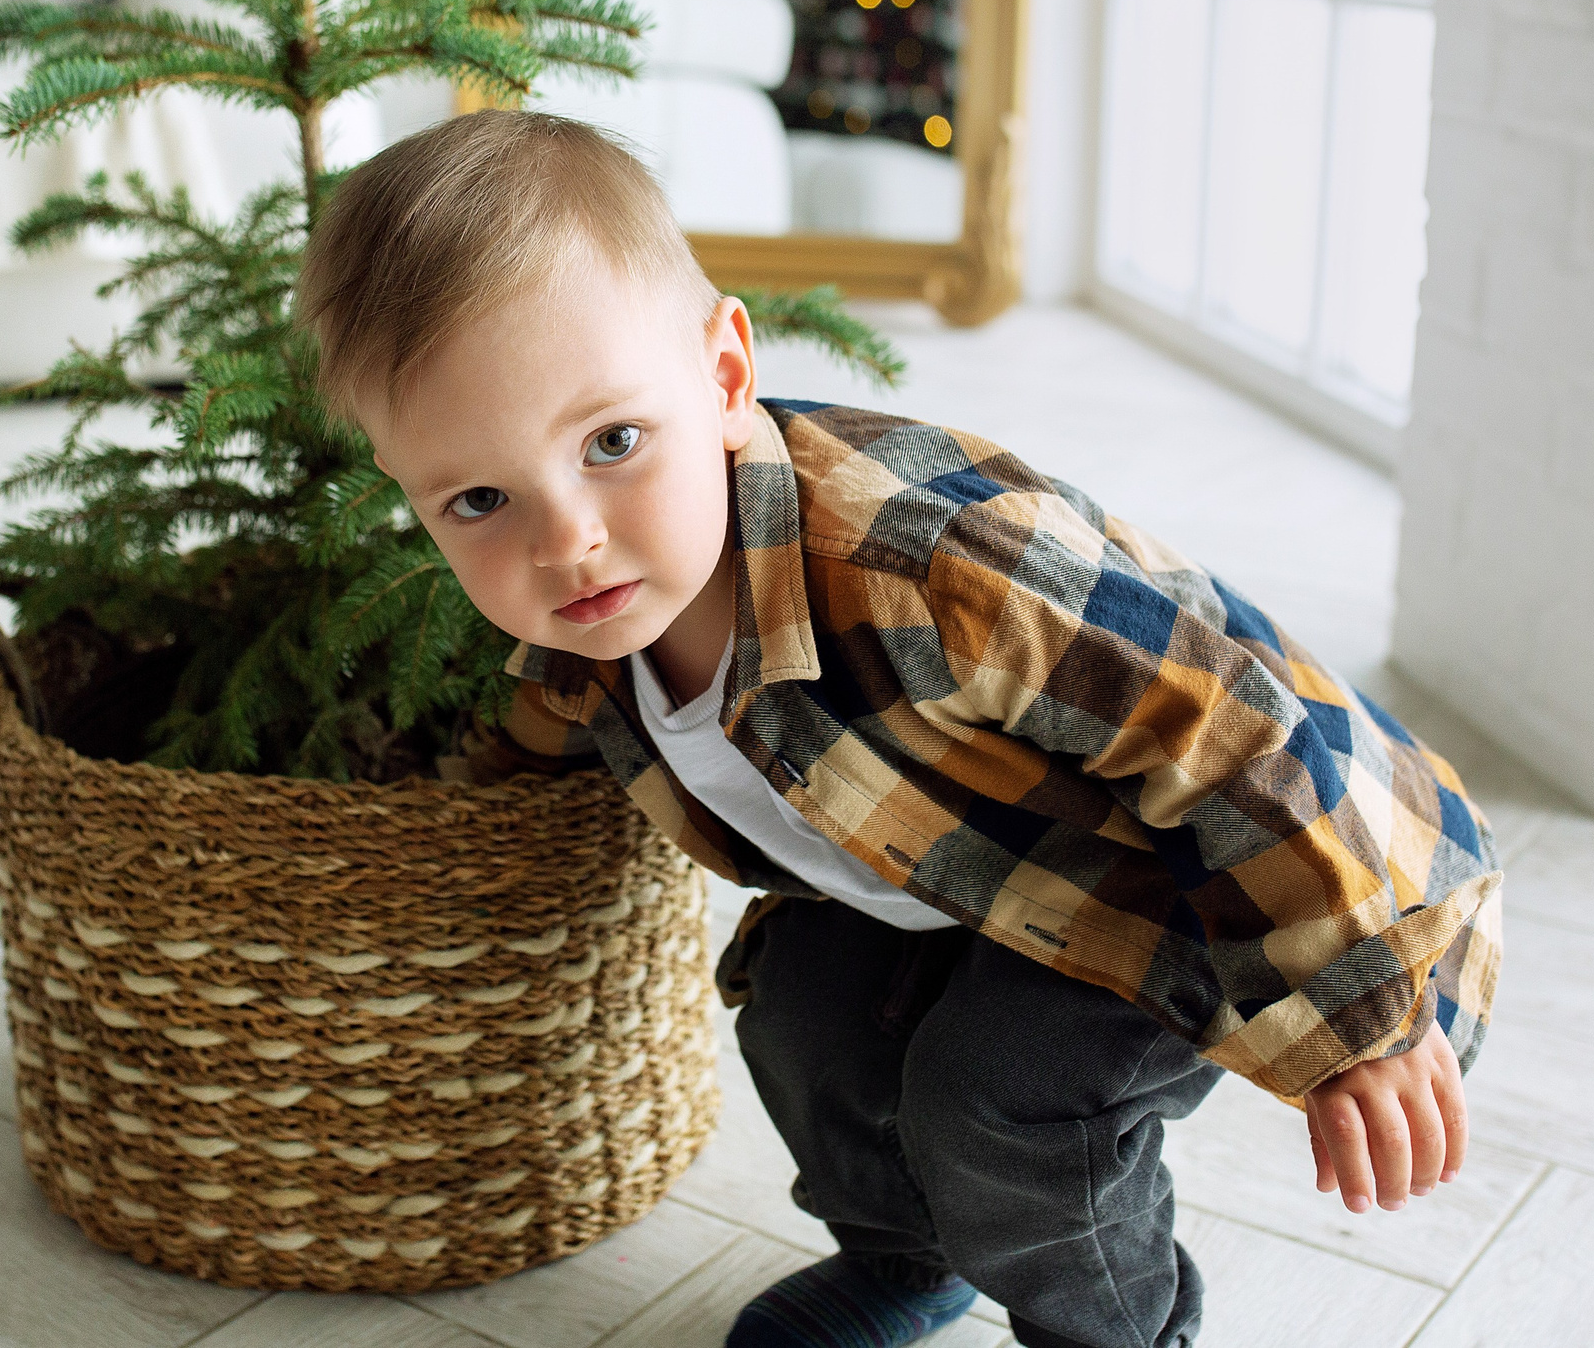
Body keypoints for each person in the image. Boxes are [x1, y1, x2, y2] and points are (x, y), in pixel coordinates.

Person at [295, 110, 1503, 1348]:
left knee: (1000, 1105)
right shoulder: (582, 641)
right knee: (803, 1018)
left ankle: (1115, 1333)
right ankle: (905, 1259)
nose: (564, 540)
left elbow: (1228, 733)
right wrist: (426, 843)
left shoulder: (931, 571)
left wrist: (1366, 1010)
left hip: (1227, 872)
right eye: (480, 499)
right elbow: (524, 752)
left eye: (612, 443)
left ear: (722, 378)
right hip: (970, 884)